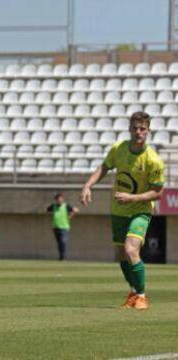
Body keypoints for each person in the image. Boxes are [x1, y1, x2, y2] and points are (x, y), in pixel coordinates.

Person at [80, 111, 164, 310]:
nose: (138, 132)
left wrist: (132, 198)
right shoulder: (119, 149)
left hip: (140, 210)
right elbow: (104, 167)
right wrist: (87, 185)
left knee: (130, 249)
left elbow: (158, 193)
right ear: (129, 129)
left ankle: (142, 296)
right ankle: (134, 293)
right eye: (135, 128)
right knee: (121, 255)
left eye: (142, 129)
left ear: (148, 131)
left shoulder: (153, 160)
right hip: (118, 210)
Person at [46, 193, 78, 260]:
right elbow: (47, 210)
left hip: (64, 227)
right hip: (55, 226)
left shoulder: (66, 206)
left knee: (63, 241)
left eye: (61, 199)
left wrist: (70, 216)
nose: (60, 200)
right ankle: (61, 256)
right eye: (58, 199)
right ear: (56, 200)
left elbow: (75, 210)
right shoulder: (53, 206)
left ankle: (63, 257)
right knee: (59, 242)